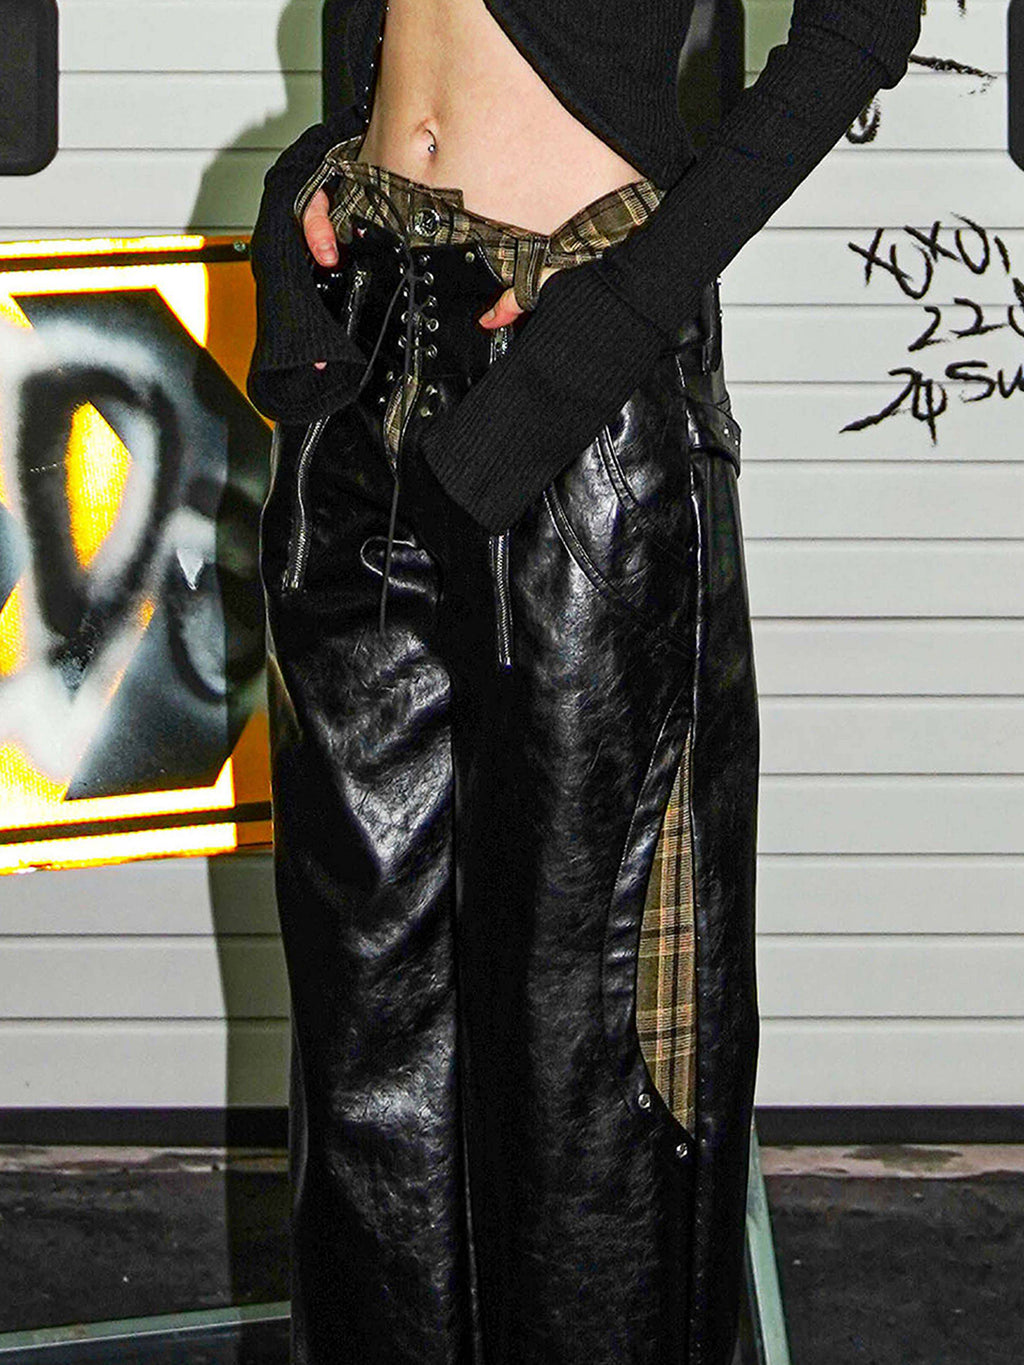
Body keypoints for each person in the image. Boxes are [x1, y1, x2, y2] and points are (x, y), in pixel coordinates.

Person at [246, 2, 921, 1362]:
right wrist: (320, 167)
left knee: (591, 1063)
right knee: (364, 1045)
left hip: (574, 394)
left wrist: (615, 317)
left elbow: (863, 22)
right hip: (370, 355)